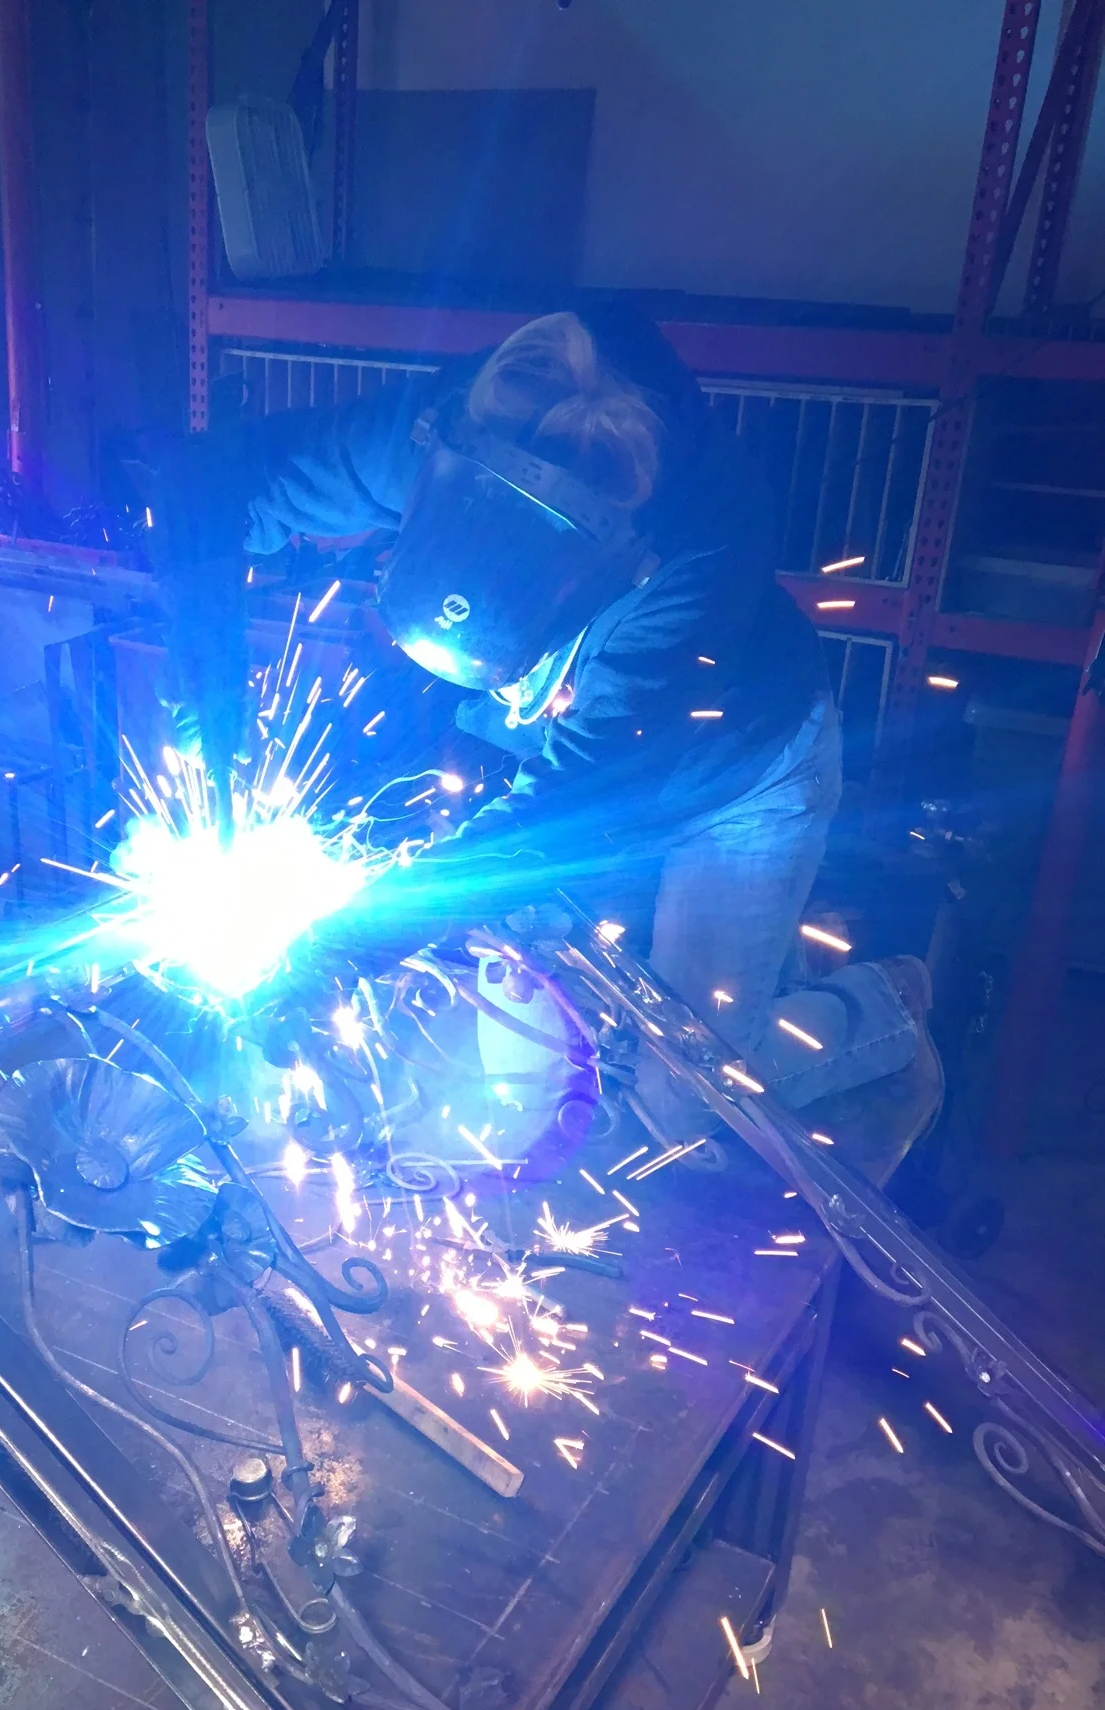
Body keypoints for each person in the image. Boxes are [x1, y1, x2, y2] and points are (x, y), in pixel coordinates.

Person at [152, 307, 936, 1148]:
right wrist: (208, 707)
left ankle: (880, 1007)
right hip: (572, 747)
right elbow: (204, 484)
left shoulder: (698, 555)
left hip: (740, 776)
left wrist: (348, 942)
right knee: (547, 1020)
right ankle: (758, 984)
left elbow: (564, 809)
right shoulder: (432, 437)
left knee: (682, 1099)